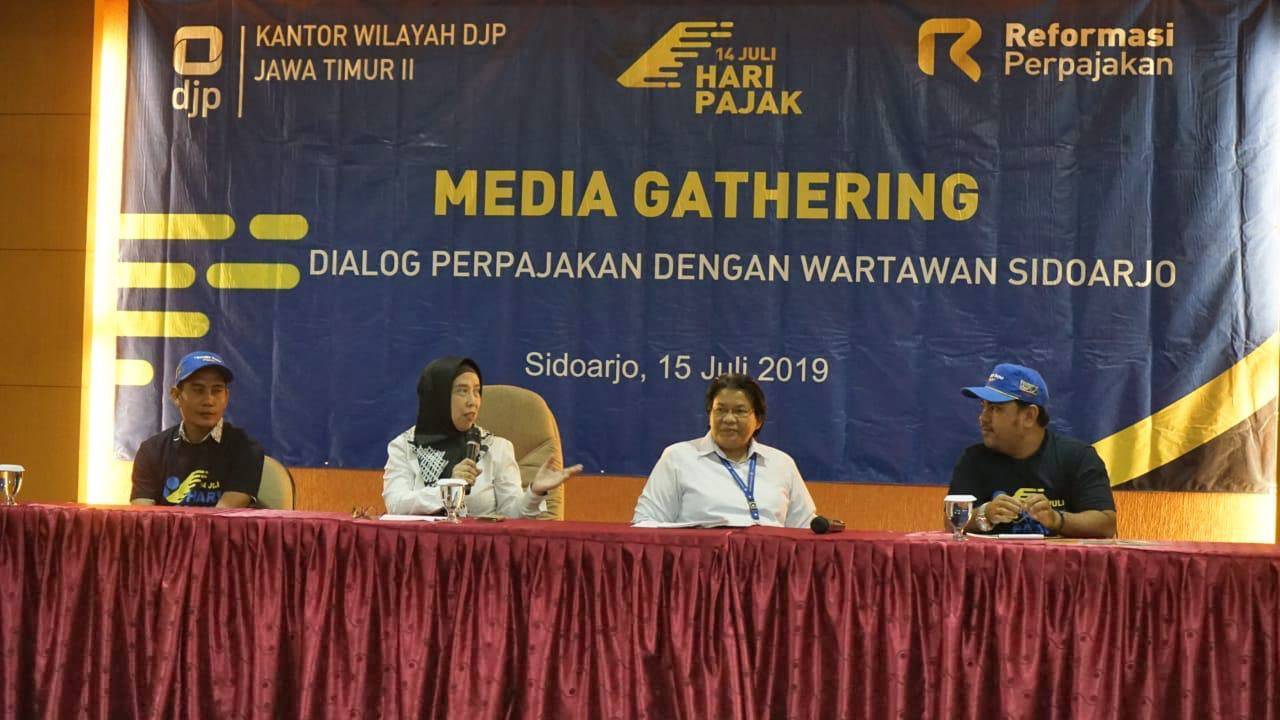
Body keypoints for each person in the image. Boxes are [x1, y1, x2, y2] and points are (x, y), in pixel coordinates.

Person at [383, 356, 581, 517]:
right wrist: (449, 488)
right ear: (438, 397)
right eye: (462, 391)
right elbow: (395, 505)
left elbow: (512, 514)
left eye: (477, 391)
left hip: (480, 551)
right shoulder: (405, 446)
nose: (473, 401)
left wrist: (535, 492)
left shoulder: (496, 447)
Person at [949, 363, 1117, 538]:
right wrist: (985, 514)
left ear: (1029, 416)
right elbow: (951, 521)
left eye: (995, 409)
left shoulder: (1078, 457)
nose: (983, 418)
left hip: (1058, 557)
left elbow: (1106, 525)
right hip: (992, 557)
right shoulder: (973, 459)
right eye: (983, 407)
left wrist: (1057, 519)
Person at [633, 373, 817, 528]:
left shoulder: (782, 464)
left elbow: (806, 530)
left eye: (739, 411)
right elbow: (645, 523)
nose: (729, 419)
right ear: (709, 415)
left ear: (758, 420)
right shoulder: (678, 458)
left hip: (767, 559)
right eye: (720, 410)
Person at [131, 351, 264, 507]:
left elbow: (224, 515)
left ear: (226, 397)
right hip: (165, 526)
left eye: (217, 391)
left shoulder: (246, 449)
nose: (209, 401)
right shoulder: (151, 450)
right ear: (176, 396)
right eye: (198, 390)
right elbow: (143, 514)